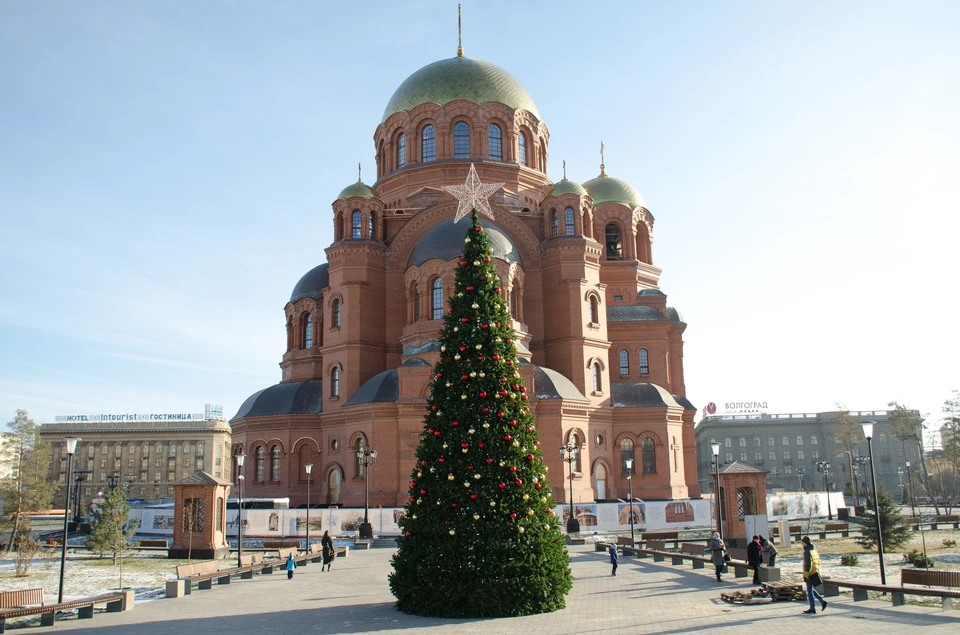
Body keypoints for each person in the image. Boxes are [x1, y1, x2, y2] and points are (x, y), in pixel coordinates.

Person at [801, 536, 827, 614]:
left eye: (802, 543)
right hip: (815, 572)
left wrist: (806, 575)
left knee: (809, 591)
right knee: (810, 589)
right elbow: (818, 562)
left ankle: (812, 608)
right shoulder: (814, 551)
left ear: (805, 543)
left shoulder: (807, 552)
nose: (802, 545)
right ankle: (822, 602)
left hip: (810, 573)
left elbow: (808, 564)